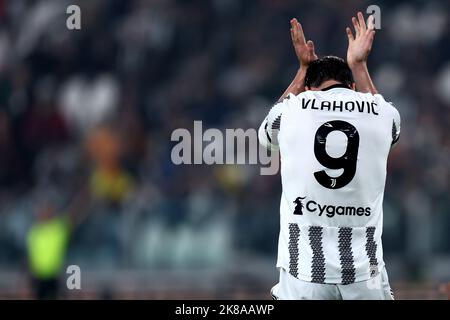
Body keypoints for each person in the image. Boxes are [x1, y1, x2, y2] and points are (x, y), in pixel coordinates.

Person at [258, 12, 400, 300]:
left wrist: (301, 70)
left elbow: (266, 137)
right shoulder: (383, 113)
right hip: (365, 274)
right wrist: (359, 65)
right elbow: (394, 132)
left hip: (304, 273)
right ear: (352, 87)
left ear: (309, 88)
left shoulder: (293, 109)